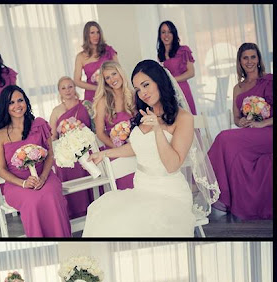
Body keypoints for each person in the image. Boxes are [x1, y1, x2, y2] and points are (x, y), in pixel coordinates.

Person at [82, 60, 219, 237]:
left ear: (159, 81)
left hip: (169, 195)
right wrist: (104, 153)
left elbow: (172, 165)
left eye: (146, 85)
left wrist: (157, 129)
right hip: (141, 190)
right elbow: (137, 147)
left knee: (132, 228)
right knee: (101, 215)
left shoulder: (184, 118)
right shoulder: (144, 114)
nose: (142, 93)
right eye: (138, 89)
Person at [0, 85, 71, 237]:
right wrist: (23, 183)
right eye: (11, 102)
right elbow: (1, 169)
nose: (17, 105)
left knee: (50, 195)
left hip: (44, 176)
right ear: (5, 107)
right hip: (16, 183)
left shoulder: (40, 125)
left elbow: (50, 155)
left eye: (20, 100)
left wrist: (43, 177)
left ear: (26, 102)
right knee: (32, 200)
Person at [207, 43, 273, 220]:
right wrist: (241, 121)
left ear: (258, 59)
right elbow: (236, 118)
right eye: (245, 58)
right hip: (250, 132)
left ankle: (205, 180)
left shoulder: (269, 80)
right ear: (240, 61)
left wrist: (263, 123)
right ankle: (227, 198)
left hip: (268, 131)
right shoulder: (238, 88)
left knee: (223, 137)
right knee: (235, 155)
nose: (249, 61)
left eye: (253, 57)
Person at [49, 76, 94, 219]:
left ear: (75, 88)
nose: (67, 90)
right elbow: (52, 137)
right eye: (63, 88)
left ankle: (94, 209)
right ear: (59, 91)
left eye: (70, 86)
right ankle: (74, 213)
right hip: (67, 153)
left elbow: (94, 128)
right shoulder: (56, 111)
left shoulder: (86, 105)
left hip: (86, 150)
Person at [92, 61, 137, 189]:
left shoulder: (133, 95)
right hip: (114, 148)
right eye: (107, 78)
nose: (112, 80)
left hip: (135, 145)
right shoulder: (103, 101)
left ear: (120, 73)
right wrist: (118, 148)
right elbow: (100, 133)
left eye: (114, 74)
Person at [157, 21, 197, 115]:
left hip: (182, 89)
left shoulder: (183, 50)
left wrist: (172, 80)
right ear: (160, 35)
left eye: (169, 32)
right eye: (163, 32)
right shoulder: (160, 54)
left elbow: (191, 73)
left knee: (188, 115)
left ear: (174, 34)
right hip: (169, 91)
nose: (166, 35)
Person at [74, 21, 119, 103]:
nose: (96, 36)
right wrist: (98, 88)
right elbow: (77, 81)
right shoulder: (80, 57)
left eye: (98, 32)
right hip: (92, 95)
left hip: (110, 91)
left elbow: (119, 71)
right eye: (92, 33)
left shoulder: (108, 50)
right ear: (86, 35)